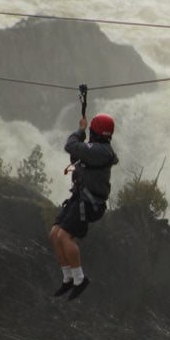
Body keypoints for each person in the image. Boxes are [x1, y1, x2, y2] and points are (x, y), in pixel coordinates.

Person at [49, 113, 119, 300]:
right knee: (55, 233)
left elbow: (70, 145)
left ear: (94, 132)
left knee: (64, 236)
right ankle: (68, 278)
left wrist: (80, 129)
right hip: (80, 197)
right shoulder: (99, 150)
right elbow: (76, 156)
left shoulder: (99, 150)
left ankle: (80, 279)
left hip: (89, 203)